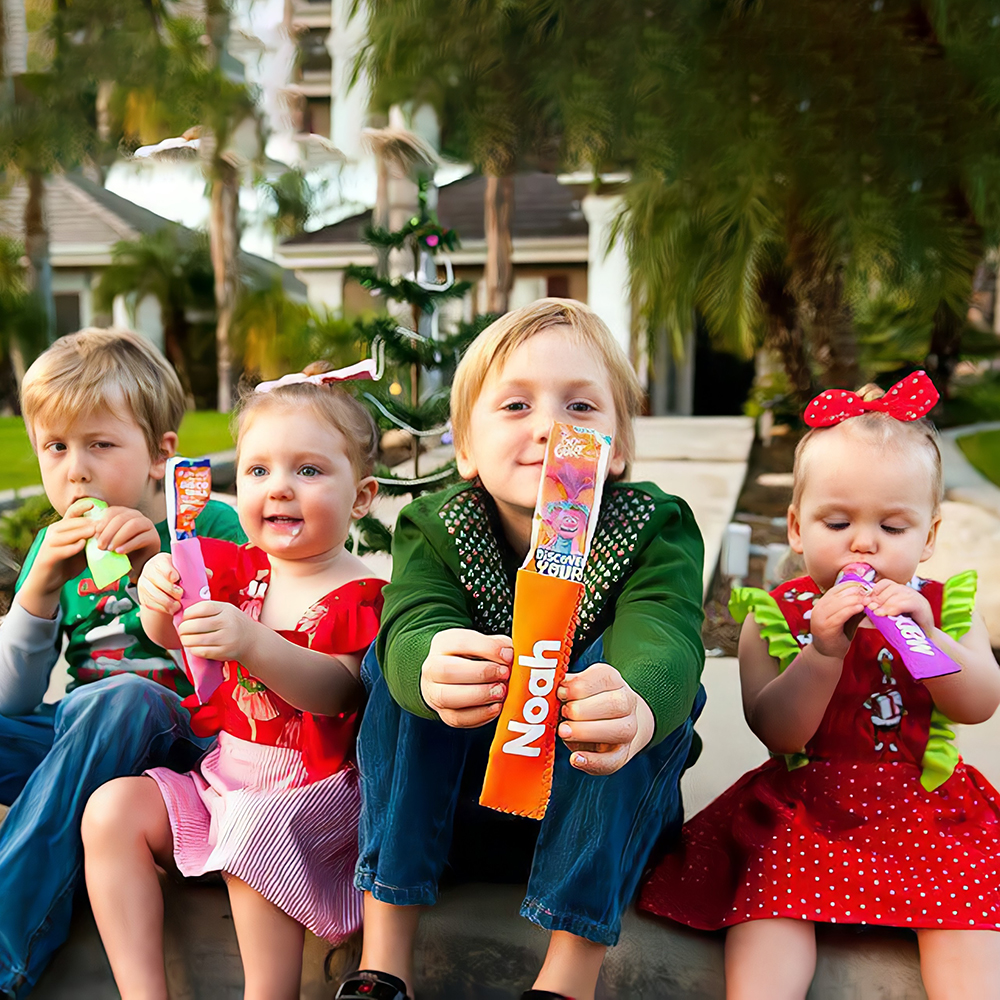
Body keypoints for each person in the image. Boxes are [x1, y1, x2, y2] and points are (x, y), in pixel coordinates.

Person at [336, 299, 707, 1000]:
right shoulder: (438, 526)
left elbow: (665, 631)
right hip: (461, 814)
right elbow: (413, 614)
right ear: (466, 449)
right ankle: (384, 963)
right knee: (397, 661)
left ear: (619, 448)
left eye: (581, 408)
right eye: (514, 406)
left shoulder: (653, 527)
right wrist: (430, 662)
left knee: (625, 683)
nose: (549, 429)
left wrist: (633, 701)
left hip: (599, 813)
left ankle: (566, 977)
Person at [639, 376, 1000, 1000]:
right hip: (809, 802)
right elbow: (776, 729)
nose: (864, 542)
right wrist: (823, 653)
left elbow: (979, 703)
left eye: (893, 526)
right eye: (837, 521)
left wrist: (930, 640)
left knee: (967, 913)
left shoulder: (948, 610)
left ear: (930, 537)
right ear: (798, 528)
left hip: (924, 803)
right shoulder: (774, 615)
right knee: (769, 903)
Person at [82, 373, 385, 1000]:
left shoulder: (361, 592)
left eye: (308, 471)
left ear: (362, 496)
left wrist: (253, 642)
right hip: (225, 776)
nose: (279, 487)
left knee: (251, 828)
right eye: (257, 471)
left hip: (313, 797)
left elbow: (337, 692)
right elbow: (170, 636)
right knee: (111, 811)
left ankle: (269, 991)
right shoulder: (227, 566)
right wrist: (158, 594)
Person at [0, 328, 243, 998]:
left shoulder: (204, 524)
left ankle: (5, 949)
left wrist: (150, 571)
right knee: (87, 709)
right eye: (56, 447)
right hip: (81, 735)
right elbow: (13, 701)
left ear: (160, 454)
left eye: (100, 445)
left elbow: (231, 665)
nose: (75, 469)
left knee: (124, 697)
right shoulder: (53, 552)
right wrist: (39, 590)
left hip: (185, 731)